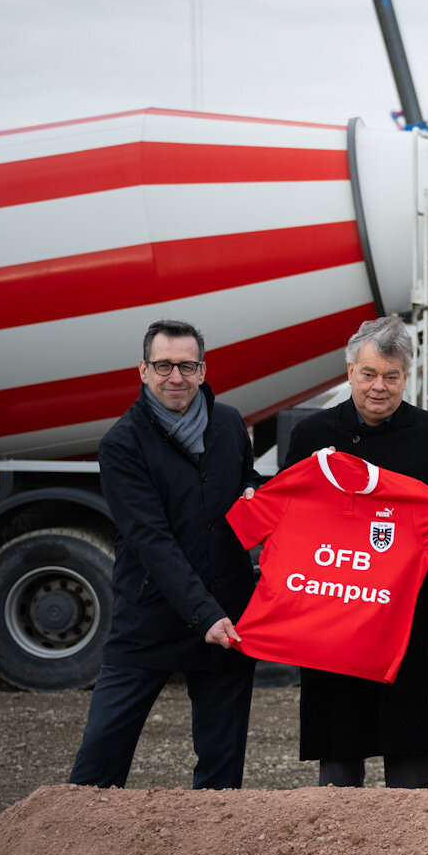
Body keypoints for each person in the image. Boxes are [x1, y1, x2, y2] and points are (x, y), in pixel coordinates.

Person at [282, 316, 428, 788]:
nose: (379, 387)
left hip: (407, 618)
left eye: (392, 376)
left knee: (410, 759)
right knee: (339, 756)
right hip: (334, 615)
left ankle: (411, 854)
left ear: (405, 378)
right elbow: (286, 521)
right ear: (349, 371)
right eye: (369, 374)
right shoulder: (312, 435)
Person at [68, 321, 259, 789]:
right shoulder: (122, 443)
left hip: (227, 619)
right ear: (142, 370)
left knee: (221, 769)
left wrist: (258, 493)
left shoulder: (230, 423)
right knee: (100, 757)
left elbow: (245, 486)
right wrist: (204, 614)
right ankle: (73, 848)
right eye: (163, 365)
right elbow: (151, 539)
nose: (176, 377)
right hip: (152, 616)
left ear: (202, 369)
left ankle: (210, 852)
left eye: (187, 366)